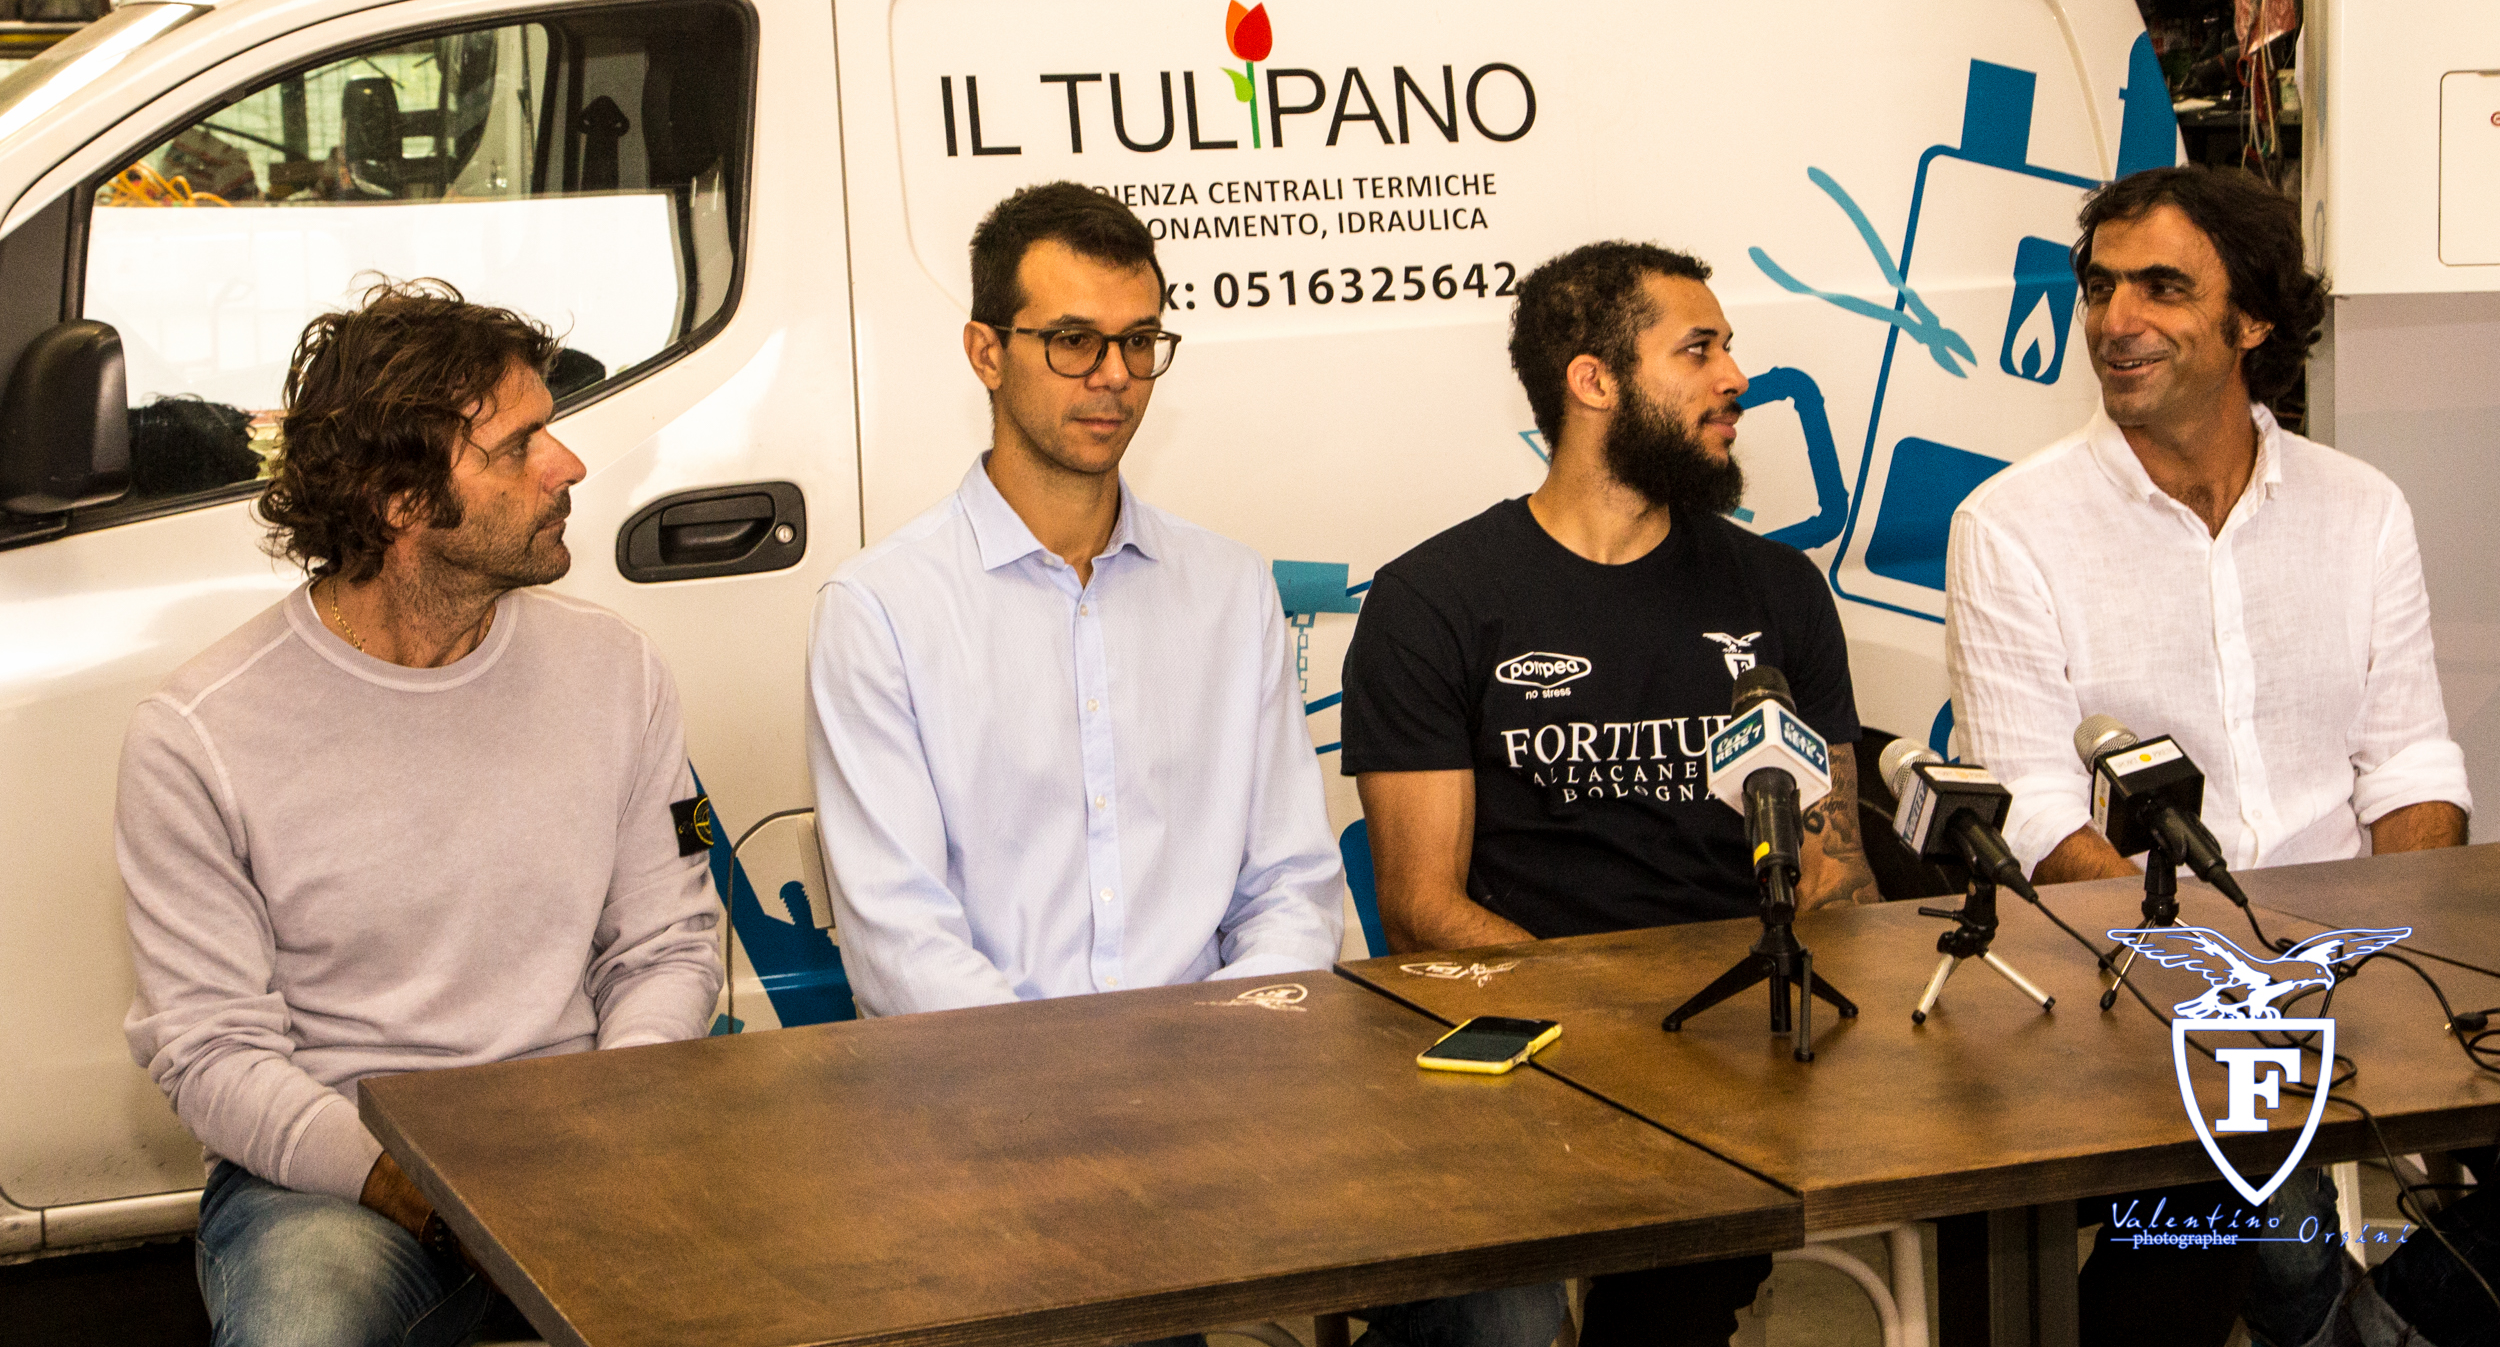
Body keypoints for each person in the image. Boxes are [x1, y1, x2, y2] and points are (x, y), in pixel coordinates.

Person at [118, 282, 726, 1347]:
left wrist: (613, 1115)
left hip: (588, 1136)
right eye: (520, 445)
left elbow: (669, 942)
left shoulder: (616, 671)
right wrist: (412, 1188)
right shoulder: (198, 735)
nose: (569, 465)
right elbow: (211, 1049)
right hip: (337, 1177)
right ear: (401, 501)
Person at [1944, 165, 2473, 1346]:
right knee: (2250, 1206)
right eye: (2099, 287)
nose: (2114, 319)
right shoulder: (2010, 525)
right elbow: (2034, 812)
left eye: (2161, 287)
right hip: (2140, 988)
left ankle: (2382, 1312)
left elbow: (2409, 765)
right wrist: (2224, 980)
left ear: (2254, 319)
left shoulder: (2361, 507)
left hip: (2357, 968)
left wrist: (2387, 956)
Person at [1340, 240, 1878, 1347]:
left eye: (1728, 348)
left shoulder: (1777, 590)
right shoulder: (1435, 600)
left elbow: (1837, 866)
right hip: (1524, 1047)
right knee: (1499, 1312)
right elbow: (1422, 909)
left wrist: (1715, 1025)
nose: (1736, 378)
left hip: (1731, 1053)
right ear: (1592, 381)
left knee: (1680, 1279)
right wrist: (1623, 1024)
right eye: (1699, 350)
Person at [805, 180, 1343, 1020]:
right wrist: (1074, 1079)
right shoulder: (880, 611)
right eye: (1074, 342)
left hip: (1219, 1067)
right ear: (986, 353)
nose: (1116, 375)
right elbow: (902, 944)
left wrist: (1214, 1058)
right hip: (990, 1083)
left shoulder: (1232, 592)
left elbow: (1292, 889)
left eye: (1139, 341)